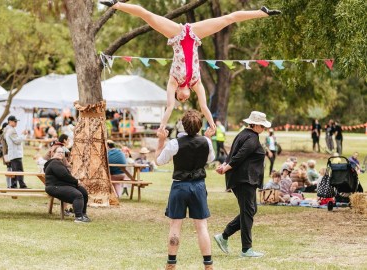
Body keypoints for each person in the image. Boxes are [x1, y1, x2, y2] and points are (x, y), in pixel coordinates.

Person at [100, 0, 281, 131]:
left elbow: (169, 106)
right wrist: (212, 125)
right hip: (194, 35)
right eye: (184, 99)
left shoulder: (173, 81)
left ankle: (116, 4)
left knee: (148, 15)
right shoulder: (196, 82)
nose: (183, 99)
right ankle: (262, 13)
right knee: (228, 19)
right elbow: (204, 107)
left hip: (177, 34)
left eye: (181, 98)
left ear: (178, 93)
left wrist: (162, 126)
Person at [155, 109, 215, 270]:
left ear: (182, 125)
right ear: (199, 125)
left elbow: (159, 161)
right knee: (202, 226)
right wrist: (207, 139)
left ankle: (171, 263)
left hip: (179, 185)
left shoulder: (174, 143)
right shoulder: (206, 142)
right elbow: (211, 159)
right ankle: (208, 264)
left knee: (175, 225)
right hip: (198, 185)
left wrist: (161, 141)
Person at [214, 111, 271, 258]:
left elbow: (232, 153)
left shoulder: (243, 134)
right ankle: (246, 249)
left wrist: (225, 164)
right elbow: (239, 156)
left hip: (243, 179)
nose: (264, 128)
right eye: (262, 125)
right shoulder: (251, 138)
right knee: (248, 212)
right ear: (256, 125)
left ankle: (224, 236)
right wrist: (225, 167)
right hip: (244, 180)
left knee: (250, 211)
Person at [44, 145, 90, 223]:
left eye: (62, 152)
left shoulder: (59, 162)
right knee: (77, 195)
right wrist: (76, 181)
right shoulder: (54, 162)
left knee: (83, 192)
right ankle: (78, 217)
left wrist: (75, 184)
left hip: (62, 185)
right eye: (59, 152)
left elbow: (65, 177)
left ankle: (83, 214)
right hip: (54, 187)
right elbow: (64, 176)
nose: (61, 154)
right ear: (53, 153)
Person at [5, 115, 28, 189]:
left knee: (14, 171)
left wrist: (21, 135)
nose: (16, 123)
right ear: (10, 122)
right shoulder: (11, 130)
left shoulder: (8, 129)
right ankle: (22, 185)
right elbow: (17, 141)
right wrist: (23, 135)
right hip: (16, 154)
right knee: (19, 170)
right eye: (15, 121)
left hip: (13, 153)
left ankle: (14, 185)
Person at [0, 122, 12, 188]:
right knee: (10, 170)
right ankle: (9, 185)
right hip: (8, 154)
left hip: (6, 154)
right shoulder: (4, 134)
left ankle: (9, 185)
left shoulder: (2, 134)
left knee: (9, 169)